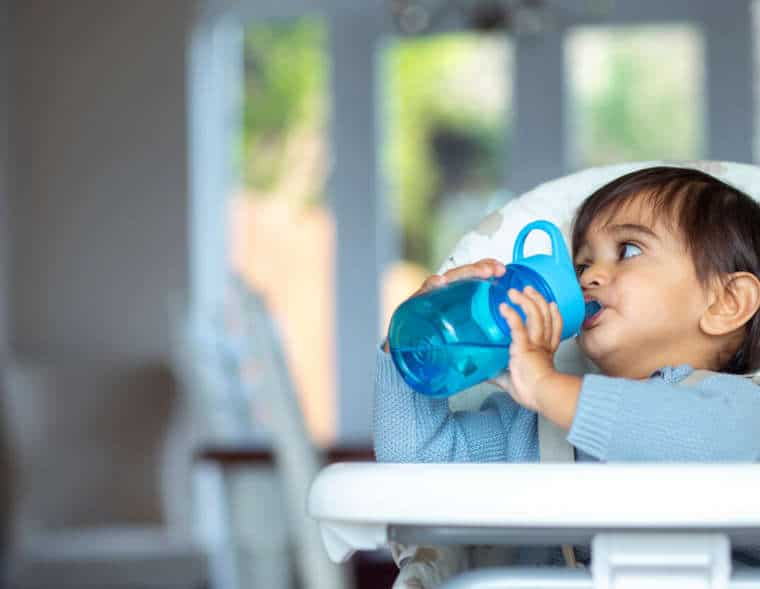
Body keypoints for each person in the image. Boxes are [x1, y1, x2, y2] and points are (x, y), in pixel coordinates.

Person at [373, 166, 760, 586]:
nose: (588, 278)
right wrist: (412, 347)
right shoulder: (530, 426)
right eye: (581, 265)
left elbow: (674, 433)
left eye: (628, 251)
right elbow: (417, 466)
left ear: (727, 302)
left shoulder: (741, 414)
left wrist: (544, 386)